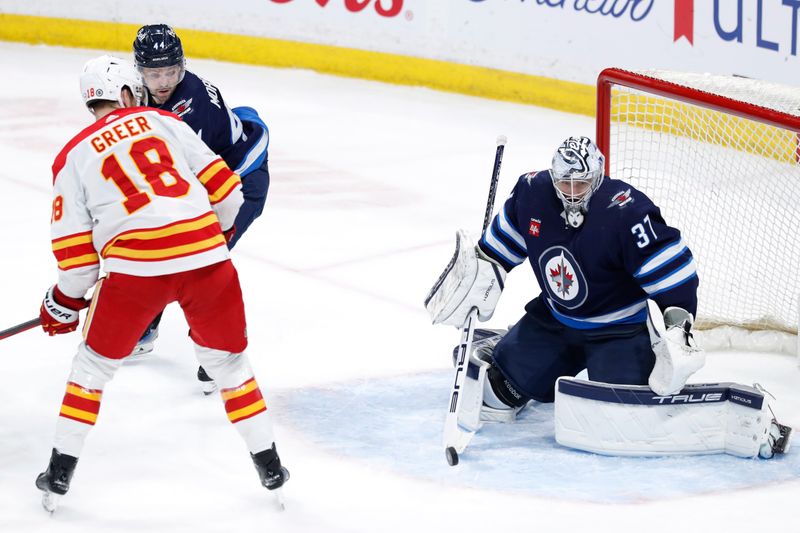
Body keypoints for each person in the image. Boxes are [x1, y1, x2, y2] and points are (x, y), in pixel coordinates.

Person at [425, 136, 791, 459]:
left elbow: (673, 275)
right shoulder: (532, 193)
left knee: (624, 415)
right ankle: (508, 349)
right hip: (553, 321)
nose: (571, 191)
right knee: (499, 393)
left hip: (618, 330)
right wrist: (478, 276)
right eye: (564, 183)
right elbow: (497, 252)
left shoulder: (625, 211)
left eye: (580, 183)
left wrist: (679, 331)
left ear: (597, 177)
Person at [36, 55, 288, 512]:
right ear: (130, 93)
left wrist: (62, 302)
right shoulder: (164, 121)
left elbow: (75, 260)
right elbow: (228, 191)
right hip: (208, 264)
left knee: (91, 371)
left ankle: (58, 475)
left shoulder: (70, 157)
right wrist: (210, 243)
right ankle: (269, 464)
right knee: (230, 366)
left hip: (134, 275)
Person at [130, 25, 271, 395]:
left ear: (182, 67)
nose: (163, 82)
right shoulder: (138, 94)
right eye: (154, 73)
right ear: (139, 72)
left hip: (240, 182)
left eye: (170, 72)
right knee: (164, 252)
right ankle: (146, 326)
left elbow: (199, 186)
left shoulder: (195, 110)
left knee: (202, 266)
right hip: (204, 177)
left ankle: (217, 353)